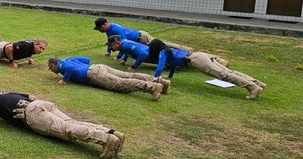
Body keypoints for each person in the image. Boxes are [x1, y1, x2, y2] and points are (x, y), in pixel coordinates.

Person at [0, 84, 124, 159]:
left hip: (31, 113)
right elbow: (32, 96)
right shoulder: (7, 92)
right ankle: (112, 132)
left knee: (67, 129)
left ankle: (106, 139)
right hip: (41, 104)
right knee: (72, 122)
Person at [108, 37, 266, 100]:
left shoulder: (162, 53)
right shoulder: (168, 50)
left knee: (223, 75)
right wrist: (171, 76)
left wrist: (156, 78)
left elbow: (160, 68)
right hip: (199, 55)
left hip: (196, 60)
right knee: (228, 72)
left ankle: (252, 87)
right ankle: (257, 83)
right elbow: (172, 66)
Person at [47, 56, 166, 100]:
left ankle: (152, 87)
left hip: (93, 74)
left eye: (50, 68)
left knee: (122, 84)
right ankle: (158, 81)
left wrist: (64, 80)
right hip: (98, 67)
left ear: (53, 64)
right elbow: (86, 60)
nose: (51, 71)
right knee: (126, 75)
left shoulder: (61, 65)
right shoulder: (69, 58)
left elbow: (70, 69)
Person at [94, 17, 191, 57]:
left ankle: (185, 50)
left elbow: (122, 42)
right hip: (138, 38)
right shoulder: (108, 30)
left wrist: (119, 57)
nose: (99, 30)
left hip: (142, 38)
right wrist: (108, 51)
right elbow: (111, 40)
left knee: (161, 45)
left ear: (105, 24)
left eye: (100, 28)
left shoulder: (115, 29)